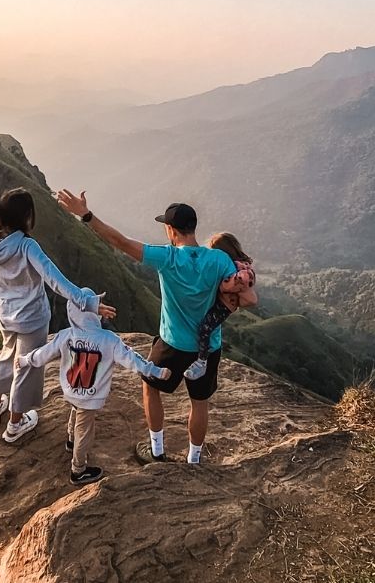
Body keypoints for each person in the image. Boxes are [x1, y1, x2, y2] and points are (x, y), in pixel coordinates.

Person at [56, 191, 235, 465]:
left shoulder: (168, 258)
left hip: (173, 343)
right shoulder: (219, 260)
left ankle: (157, 451)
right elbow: (240, 292)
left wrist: (86, 215)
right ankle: (194, 460)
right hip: (208, 346)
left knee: (150, 388)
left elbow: (120, 242)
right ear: (193, 228)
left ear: (170, 229)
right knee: (200, 403)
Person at [0, 187, 114, 444]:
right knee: (26, 366)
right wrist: (89, 303)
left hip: (4, 314)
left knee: (6, 355)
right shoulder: (28, 247)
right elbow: (55, 280)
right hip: (32, 319)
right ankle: (16, 423)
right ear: (27, 216)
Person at [16, 297, 171, 486]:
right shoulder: (109, 340)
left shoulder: (66, 335)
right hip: (90, 397)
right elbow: (133, 361)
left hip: (71, 390)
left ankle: (71, 441)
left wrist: (25, 360)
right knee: (85, 429)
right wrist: (155, 371)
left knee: (75, 410)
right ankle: (78, 470)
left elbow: (44, 354)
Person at [183, 232, 257, 381]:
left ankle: (201, 361)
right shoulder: (240, 265)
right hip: (224, 305)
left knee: (205, 328)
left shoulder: (239, 269)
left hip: (223, 307)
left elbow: (229, 288)